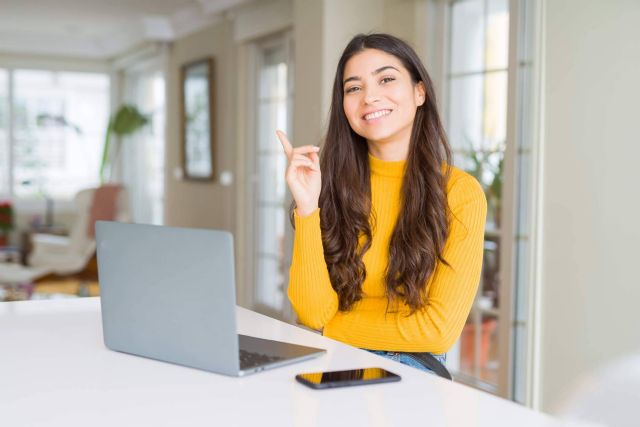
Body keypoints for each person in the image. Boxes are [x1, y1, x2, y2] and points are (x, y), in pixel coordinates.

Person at [276, 33, 487, 377]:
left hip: (409, 370)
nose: (369, 97)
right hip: (331, 361)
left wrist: (333, 325)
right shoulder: (326, 185)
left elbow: (437, 330)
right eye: (353, 88)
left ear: (420, 92)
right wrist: (307, 207)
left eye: (386, 79)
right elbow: (313, 313)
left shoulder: (460, 193)